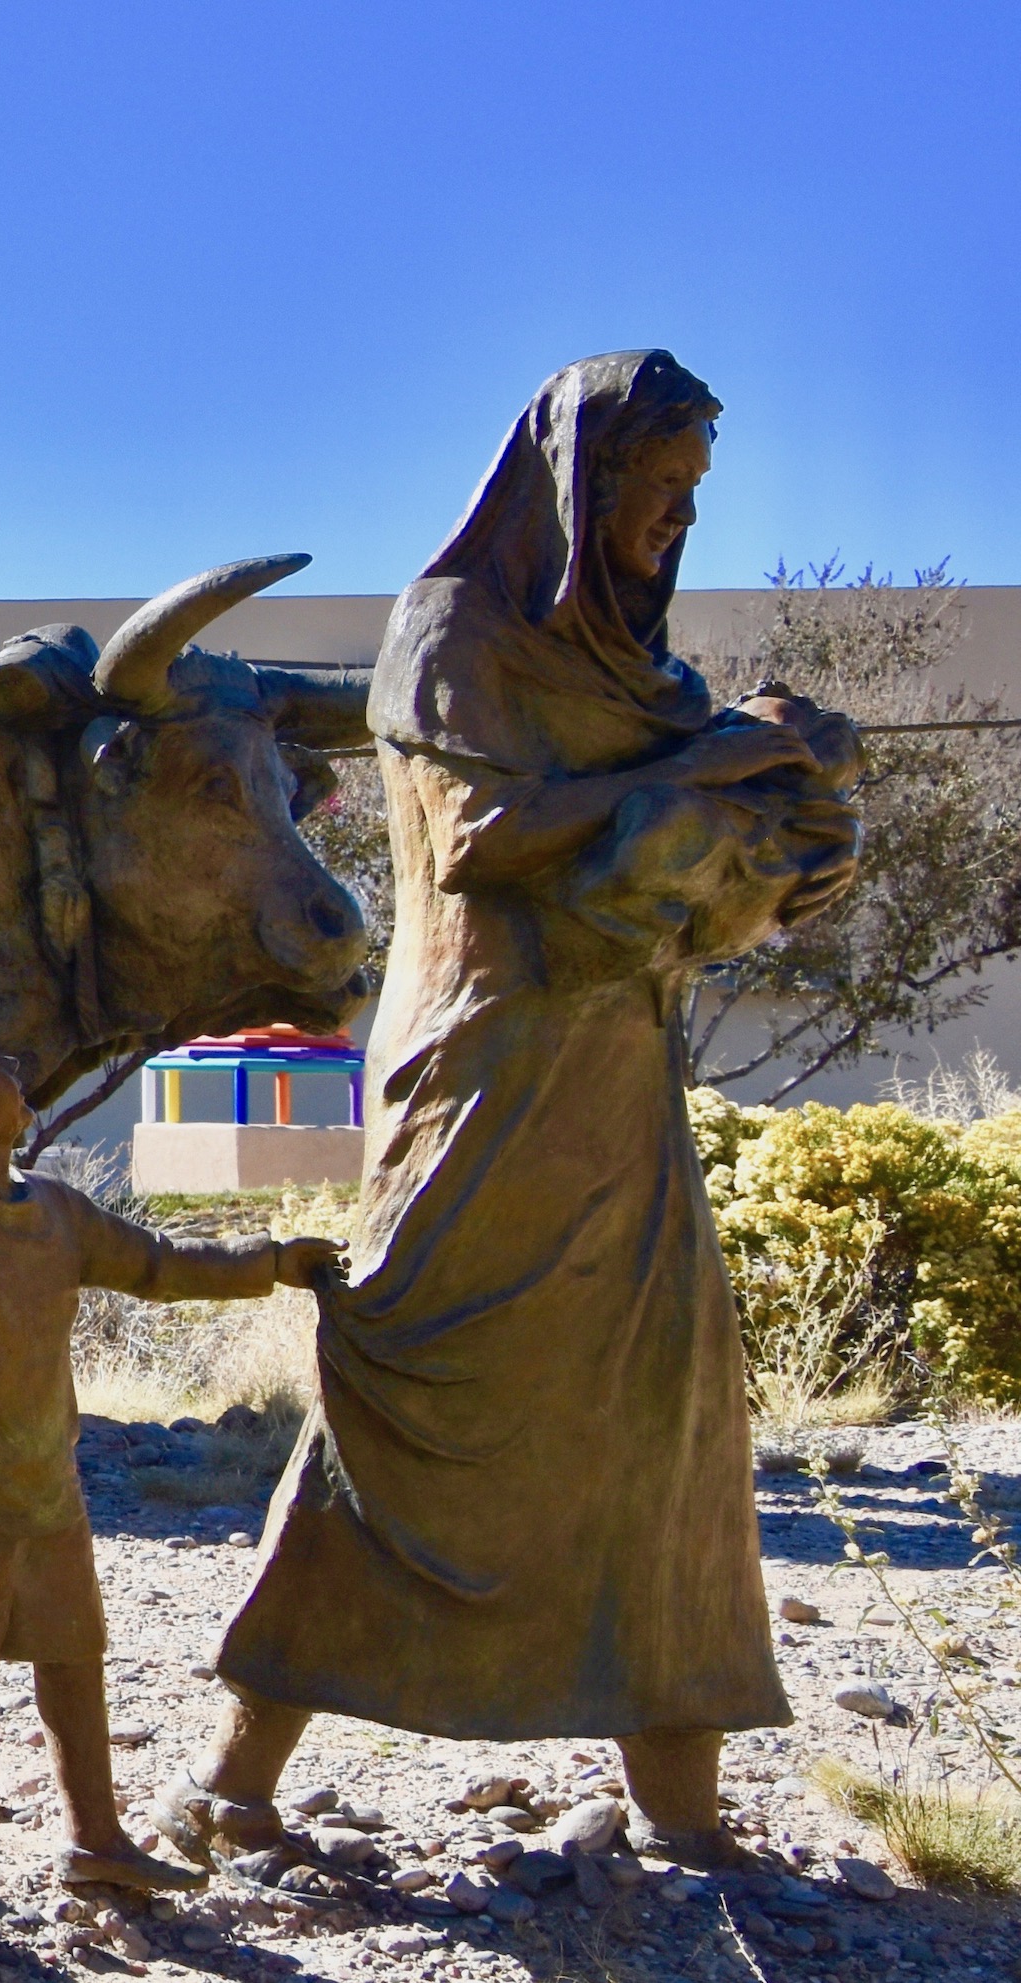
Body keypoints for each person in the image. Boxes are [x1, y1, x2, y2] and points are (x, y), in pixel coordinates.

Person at [164, 352, 858, 1872]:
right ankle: (237, 1772)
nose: (676, 522)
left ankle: (683, 1796)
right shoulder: (449, 632)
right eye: (655, 489)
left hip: (619, 1072)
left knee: (660, 1414)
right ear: (579, 481)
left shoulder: (648, 676)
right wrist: (704, 763)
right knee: (415, 1394)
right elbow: (481, 834)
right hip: (478, 1068)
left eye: (692, 498)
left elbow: (687, 838)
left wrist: (785, 806)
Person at [0, 996, 337, 1921]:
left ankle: (95, 1842)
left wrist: (273, 1261)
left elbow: (158, 1264)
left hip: (47, 1493)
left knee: (74, 1660)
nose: (12, 1067)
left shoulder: (55, 1211)